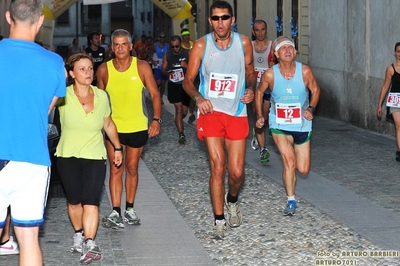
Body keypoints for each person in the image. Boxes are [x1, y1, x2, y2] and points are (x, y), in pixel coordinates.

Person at [182, 0, 256, 239]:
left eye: (225, 17)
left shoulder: (243, 42)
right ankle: (219, 219)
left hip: (236, 112)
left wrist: (251, 89)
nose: (220, 22)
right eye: (215, 18)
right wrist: (198, 98)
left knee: (236, 173)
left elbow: (251, 72)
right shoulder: (201, 45)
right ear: (209, 20)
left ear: (232, 20)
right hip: (211, 113)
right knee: (218, 167)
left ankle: (232, 199)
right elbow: (187, 80)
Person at [0, 0, 66, 265]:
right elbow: (49, 105)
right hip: (32, 160)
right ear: (40, 22)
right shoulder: (55, 63)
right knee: (28, 240)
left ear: (8, 17)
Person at [55, 53, 123, 264]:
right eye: (82, 69)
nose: (88, 72)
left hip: (95, 155)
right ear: (72, 73)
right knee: (75, 201)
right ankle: (78, 233)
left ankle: (90, 241)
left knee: (91, 200)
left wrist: (118, 148)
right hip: (68, 155)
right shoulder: (61, 95)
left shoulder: (102, 96)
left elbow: (108, 124)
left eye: (90, 68)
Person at [97, 29, 161, 229]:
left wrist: (156, 119)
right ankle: (115, 211)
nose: (120, 48)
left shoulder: (141, 67)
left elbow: (155, 94)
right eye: (116, 44)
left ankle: (130, 209)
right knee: (116, 168)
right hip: (113, 129)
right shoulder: (103, 70)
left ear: (131, 46)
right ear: (111, 47)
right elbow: (99, 101)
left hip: (137, 126)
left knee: (132, 167)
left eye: (124, 44)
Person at [255, 36, 320, 216]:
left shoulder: (305, 71)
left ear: (295, 52)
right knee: (289, 162)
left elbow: (316, 90)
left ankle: (291, 192)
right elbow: (259, 93)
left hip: (301, 124)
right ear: (276, 54)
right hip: (279, 123)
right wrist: (260, 115)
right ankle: (291, 200)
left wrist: (311, 108)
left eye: (290, 48)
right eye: (283, 48)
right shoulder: (270, 74)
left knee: (303, 169)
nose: (288, 51)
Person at [251, 19, 276, 165]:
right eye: (257, 30)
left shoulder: (273, 46)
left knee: (264, 117)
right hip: (254, 87)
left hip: (267, 87)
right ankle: (263, 149)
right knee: (258, 115)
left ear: (266, 30)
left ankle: (257, 129)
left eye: (262, 29)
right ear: (253, 32)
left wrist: (275, 65)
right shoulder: (249, 46)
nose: (260, 32)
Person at [162, 35, 190, 144]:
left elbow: (196, 67)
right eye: (173, 47)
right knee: (178, 108)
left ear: (181, 44)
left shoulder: (187, 53)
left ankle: (178, 118)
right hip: (174, 84)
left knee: (184, 111)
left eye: (177, 46)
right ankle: (181, 134)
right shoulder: (167, 55)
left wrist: (186, 66)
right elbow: (163, 69)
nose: (175, 49)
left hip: (185, 85)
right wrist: (166, 72)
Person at [377, 42, 400, 161]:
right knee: (399, 125)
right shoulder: (390, 69)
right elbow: (385, 86)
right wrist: (379, 105)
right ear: (395, 52)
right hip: (395, 100)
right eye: (398, 51)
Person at [181, 28, 197, 124]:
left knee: (193, 93)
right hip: (183, 73)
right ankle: (181, 112)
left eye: (188, 35)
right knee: (184, 94)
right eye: (185, 35)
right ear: (182, 37)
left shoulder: (194, 45)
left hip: (193, 72)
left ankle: (191, 113)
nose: (187, 36)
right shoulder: (180, 47)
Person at [153, 32, 169, 104]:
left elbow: (170, 55)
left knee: (163, 83)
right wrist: (152, 60)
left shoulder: (168, 46)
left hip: (164, 66)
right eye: (161, 37)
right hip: (157, 66)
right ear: (159, 38)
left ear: (165, 38)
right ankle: (154, 91)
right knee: (158, 82)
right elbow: (150, 53)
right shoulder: (155, 45)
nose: (162, 38)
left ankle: (161, 97)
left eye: (163, 37)